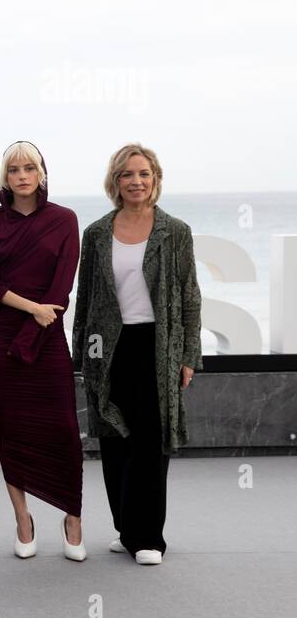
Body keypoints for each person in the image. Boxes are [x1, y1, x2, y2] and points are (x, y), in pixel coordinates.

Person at [73, 143, 202, 566]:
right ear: (115, 181)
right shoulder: (96, 233)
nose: (136, 181)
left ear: (155, 179)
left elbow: (190, 296)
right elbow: (85, 297)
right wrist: (81, 355)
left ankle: (149, 537)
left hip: (157, 346)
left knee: (150, 440)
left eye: (144, 173)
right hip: (109, 347)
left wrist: (188, 355)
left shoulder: (175, 231)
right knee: (114, 438)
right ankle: (126, 529)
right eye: (127, 174)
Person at [0, 141, 85, 561]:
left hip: (48, 333)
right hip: (3, 335)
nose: (22, 176)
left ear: (42, 173)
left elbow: (61, 287)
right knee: (13, 427)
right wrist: (30, 308)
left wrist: (38, 318)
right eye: (14, 169)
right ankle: (22, 519)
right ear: (5, 177)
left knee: (65, 427)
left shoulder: (64, 220)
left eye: (29, 168)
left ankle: (73, 518)